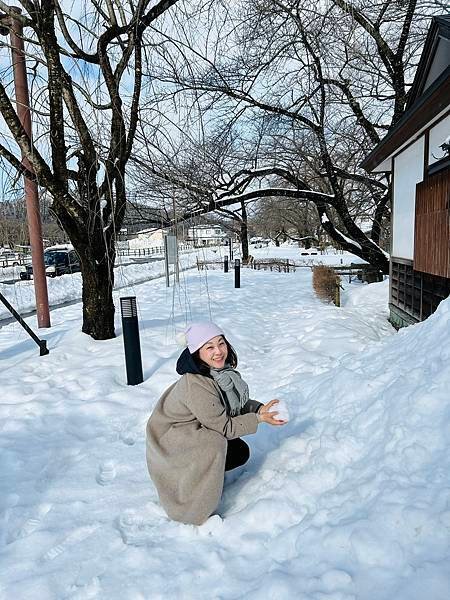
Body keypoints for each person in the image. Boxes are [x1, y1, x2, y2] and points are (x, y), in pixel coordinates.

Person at [146, 321, 286, 526]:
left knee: (238, 452)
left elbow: (233, 404)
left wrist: (259, 409)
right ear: (196, 353)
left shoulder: (219, 374)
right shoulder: (196, 384)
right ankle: (192, 498)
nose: (218, 351)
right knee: (215, 442)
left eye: (221, 343)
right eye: (209, 347)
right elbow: (225, 427)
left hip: (192, 428)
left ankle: (203, 470)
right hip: (170, 439)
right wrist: (258, 419)